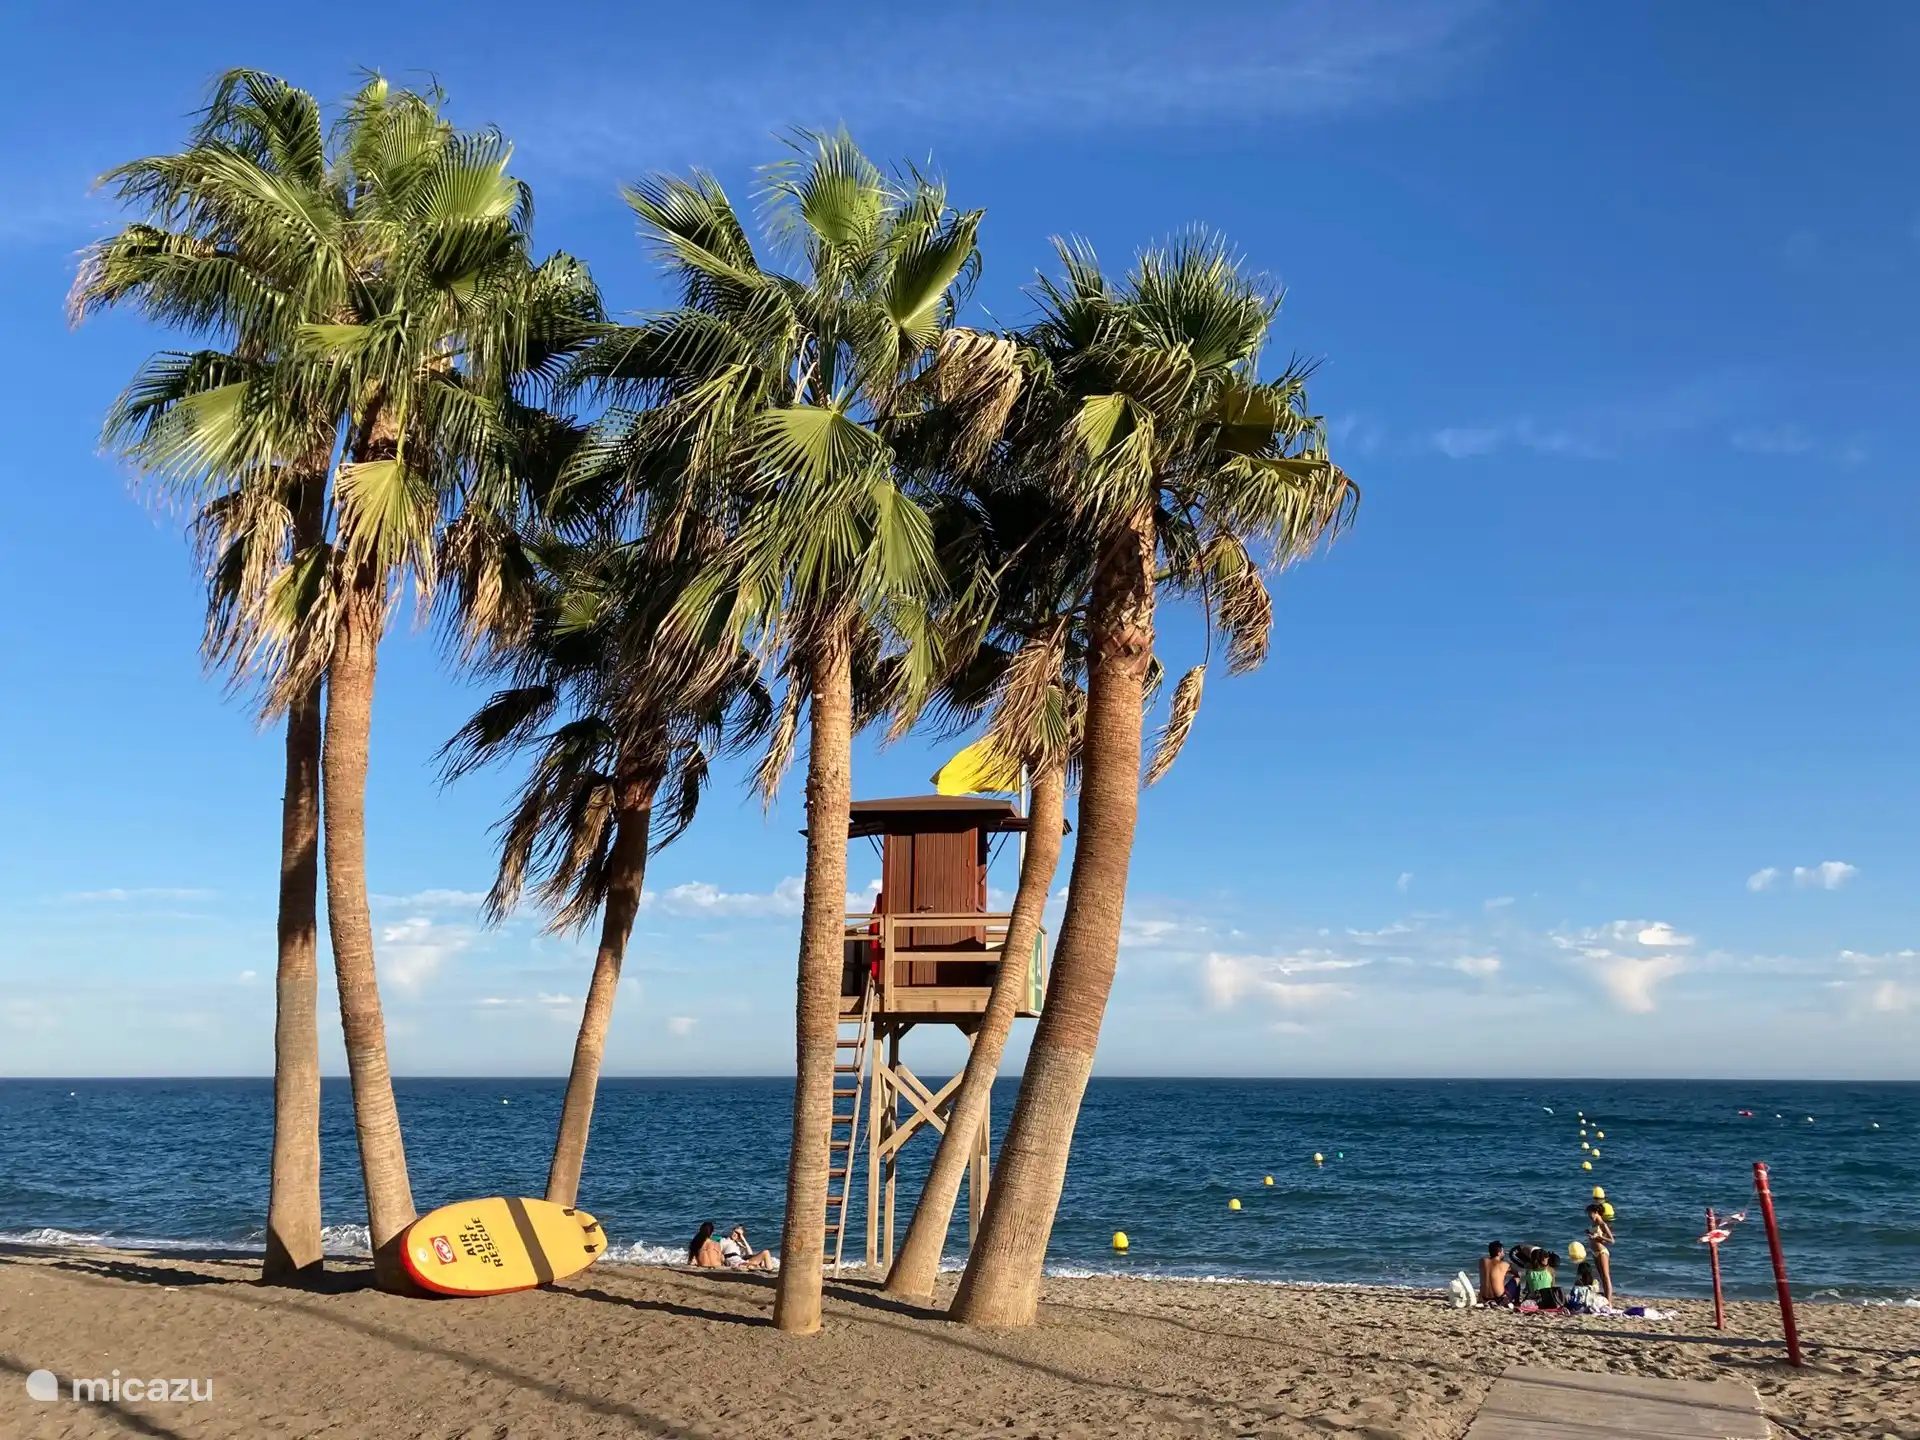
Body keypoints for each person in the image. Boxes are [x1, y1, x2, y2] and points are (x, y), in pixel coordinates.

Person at [1584, 1202, 1615, 1299]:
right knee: (1601, 1277)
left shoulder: (1602, 1224)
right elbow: (1597, 1238)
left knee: (1606, 1277)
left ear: (1596, 1212)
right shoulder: (1594, 1224)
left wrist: (1600, 1236)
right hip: (1595, 1252)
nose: (1589, 1215)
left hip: (1602, 1252)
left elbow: (1612, 1240)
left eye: (1590, 1213)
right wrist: (1591, 1235)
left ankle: (1609, 1301)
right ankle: (1606, 1298)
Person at [1479, 1241, 1511, 1306]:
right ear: (1499, 1253)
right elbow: (1517, 1272)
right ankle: (1516, 1301)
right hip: (1499, 1298)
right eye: (1503, 1252)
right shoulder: (1504, 1264)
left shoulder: (1482, 1261)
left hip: (1485, 1298)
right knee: (1517, 1279)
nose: (1504, 1254)